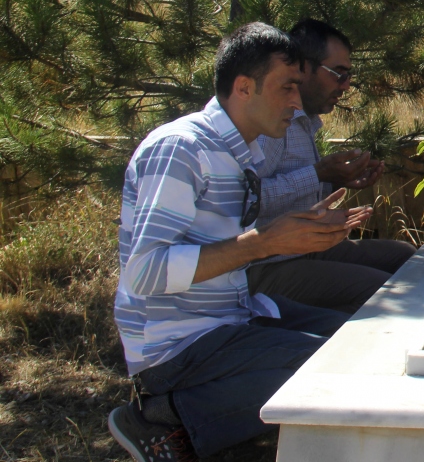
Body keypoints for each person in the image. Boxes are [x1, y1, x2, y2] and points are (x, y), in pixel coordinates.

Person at [109, 23, 374, 461]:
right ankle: (164, 416)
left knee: (364, 345)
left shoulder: (239, 153)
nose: (297, 102)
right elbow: (144, 272)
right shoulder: (181, 149)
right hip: (178, 346)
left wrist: (304, 229)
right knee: (333, 368)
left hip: (232, 317)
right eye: (287, 87)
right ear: (244, 87)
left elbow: (237, 243)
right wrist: (262, 243)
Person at [248, 19, 417, 314]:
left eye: (349, 75)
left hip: (303, 250)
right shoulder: (272, 123)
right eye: (338, 73)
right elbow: (248, 200)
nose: (346, 85)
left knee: (405, 258)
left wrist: (338, 180)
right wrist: (318, 174)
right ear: (303, 68)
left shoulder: (305, 121)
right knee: (381, 291)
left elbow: (290, 190)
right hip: (265, 264)